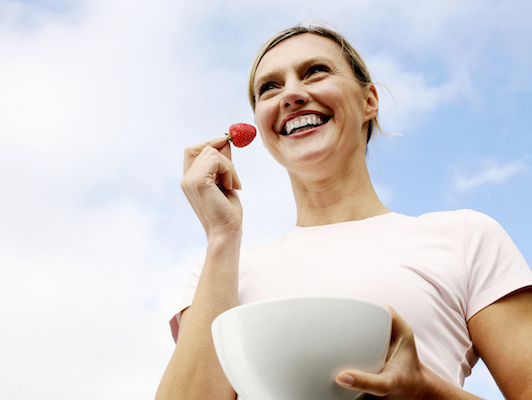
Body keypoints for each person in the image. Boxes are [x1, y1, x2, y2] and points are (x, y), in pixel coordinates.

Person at [155, 22, 532, 400]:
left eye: (315, 72)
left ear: (369, 100)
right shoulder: (220, 274)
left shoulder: (465, 237)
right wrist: (222, 237)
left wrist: (425, 390)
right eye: (270, 87)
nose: (291, 94)